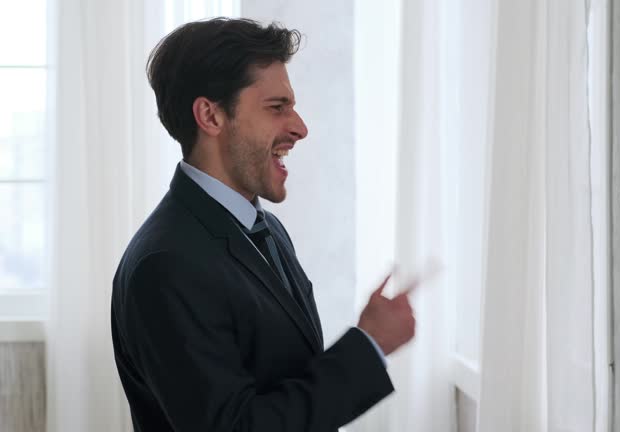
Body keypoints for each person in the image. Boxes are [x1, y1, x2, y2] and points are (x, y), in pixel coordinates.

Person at [111, 17, 417, 432]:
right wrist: (368, 345)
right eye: (277, 108)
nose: (300, 127)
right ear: (211, 116)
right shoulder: (166, 264)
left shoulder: (266, 229)